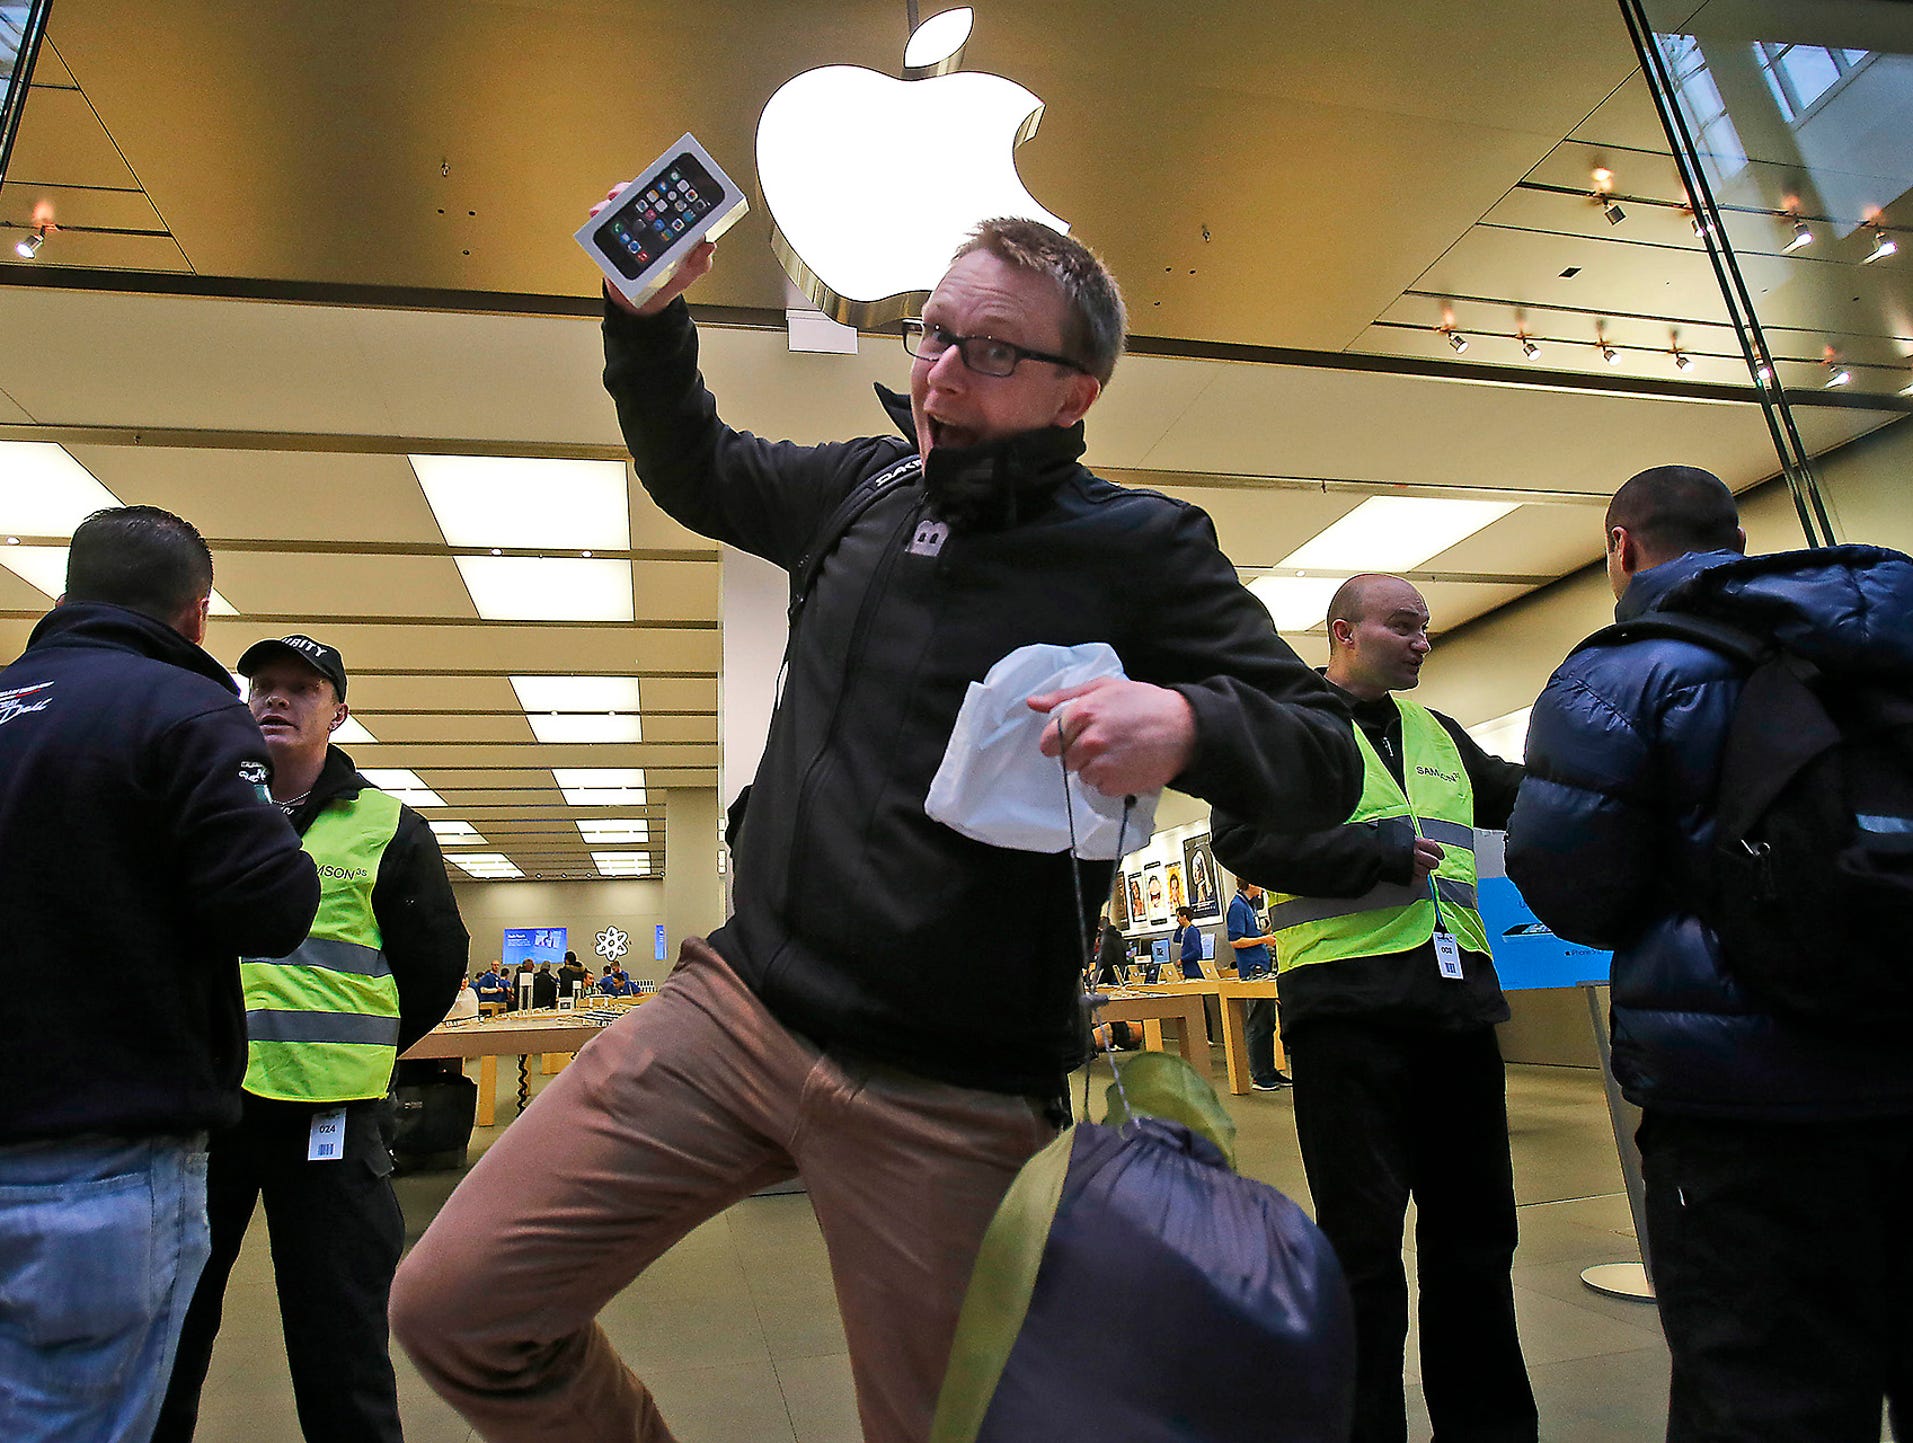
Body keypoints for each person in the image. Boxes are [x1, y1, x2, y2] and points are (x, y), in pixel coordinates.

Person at [391, 213, 1360, 1443]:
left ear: (1080, 392)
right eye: (933, 334)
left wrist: (1186, 719)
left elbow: (1321, 752)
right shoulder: (862, 487)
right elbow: (699, 465)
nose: (941, 373)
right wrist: (644, 322)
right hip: (737, 1011)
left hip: (950, 1086)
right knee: (457, 1306)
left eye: (991, 352)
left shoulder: (1142, 545)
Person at [1508, 465, 1913, 1442]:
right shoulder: (1879, 654)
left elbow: (1572, 887)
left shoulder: (1617, 674)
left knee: (1760, 1392)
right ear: (1736, 540)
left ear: (1620, 547)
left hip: (1738, 1106)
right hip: (1899, 1062)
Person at [0, 506, 319, 1443]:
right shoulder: (184, 713)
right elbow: (270, 907)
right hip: (102, 1164)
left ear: (65, 595)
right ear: (197, 616)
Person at [1213, 573, 1532, 1443]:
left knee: (1476, 1242)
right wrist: (1372, 849)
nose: (1423, 640)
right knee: (1360, 1249)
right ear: (1343, 631)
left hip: (1457, 1012)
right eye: (1404, 626)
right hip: (1347, 1017)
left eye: (1425, 627)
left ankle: (1488, 1428)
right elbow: (1240, 840)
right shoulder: (1284, 728)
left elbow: (1523, 794)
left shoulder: (1439, 736)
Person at [155, 633, 467, 1443]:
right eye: (261, 684)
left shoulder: (388, 827)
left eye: (301, 687)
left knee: (341, 1347)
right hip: (210, 1113)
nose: (275, 699)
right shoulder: (205, 810)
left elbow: (431, 969)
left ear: (340, 711)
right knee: (170, 1338)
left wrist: (359, 1048)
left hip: (330, 1121)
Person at [1224, 878, 1287, 1090]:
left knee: (1268, 1023)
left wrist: (1264, 935)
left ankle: (1269, 1070)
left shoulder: (1249, 906)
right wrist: (1263, 940)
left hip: (1262, 967)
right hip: (1252, 970)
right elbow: (1235, 941)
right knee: (1258, 1023)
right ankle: (1259, 1075)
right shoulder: (1237, 907)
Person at [1173, 905, 1205, 980]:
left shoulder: (1192, 931)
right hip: (1187, 971)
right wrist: (1180, 926)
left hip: (1194, 971)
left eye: (1178, 917)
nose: (1177, 920)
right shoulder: (1186, 930)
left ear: (1184, 917)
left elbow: (1196, 951)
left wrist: (1182, 959)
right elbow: (1176, 939)